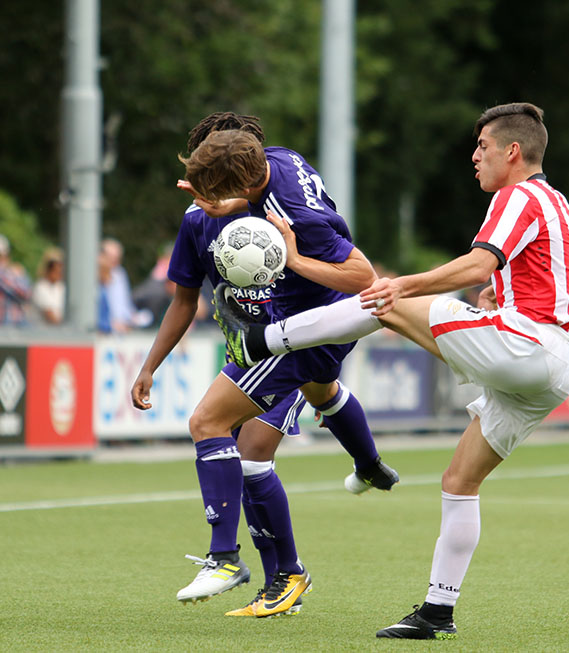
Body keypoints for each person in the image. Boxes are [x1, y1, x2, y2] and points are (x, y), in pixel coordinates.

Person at [213, 102, 569, 639]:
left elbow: (481, 261)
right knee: (460, 480)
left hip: (530, 347)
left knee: (382, 299)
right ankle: (438, 611)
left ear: (513, 152)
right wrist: (495, 296)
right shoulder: (558, 203)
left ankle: (264, 340)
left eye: (482, 147)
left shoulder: (518, 193)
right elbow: (545, 279)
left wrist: (405, 283)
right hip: (553, 362)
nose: (474, 156)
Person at [131, 113, 398, 617]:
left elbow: (362, 275)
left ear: (238, 183)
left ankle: (233, 560)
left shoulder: (289, 215)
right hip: (292, 333)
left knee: (217, 429)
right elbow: (184, 300)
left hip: (299, 330)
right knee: (322, 391)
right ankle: (367, 466)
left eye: (207, 186)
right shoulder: (267, 165)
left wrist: (292, 259)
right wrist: (150, 366)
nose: (197, 195)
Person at [33, 247, 66, 325]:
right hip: (45, 334)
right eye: (56, 269)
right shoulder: (41, 287)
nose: (60, 272)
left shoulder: (60, 286)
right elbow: (51, 316)